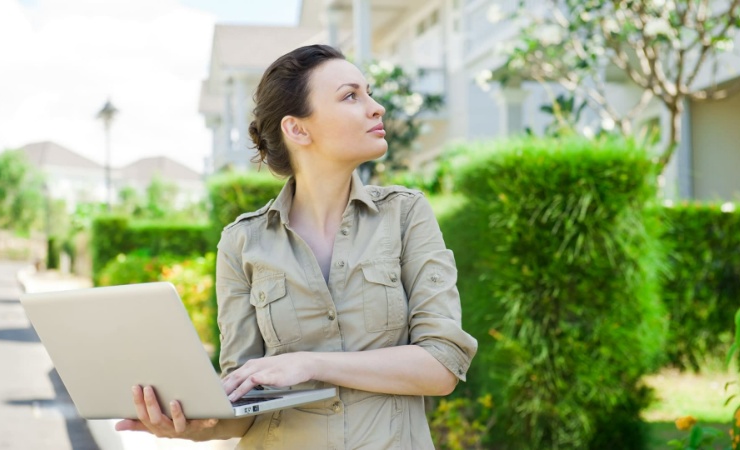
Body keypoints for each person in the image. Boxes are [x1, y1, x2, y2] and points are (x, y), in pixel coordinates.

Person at [115, 44, 477, 449]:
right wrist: (193, 424)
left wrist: (309, 363)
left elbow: (442, 364)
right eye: (350, 96)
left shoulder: (406, 214)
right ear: (297, 129)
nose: (376, 108)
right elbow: (243, 404)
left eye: (368, 93)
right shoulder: (242, 242)